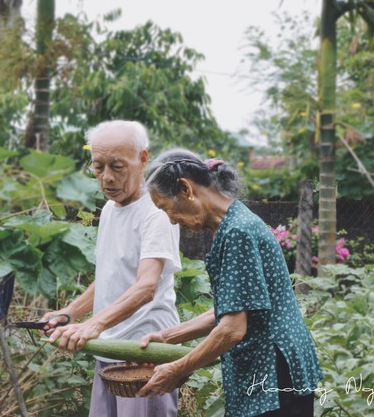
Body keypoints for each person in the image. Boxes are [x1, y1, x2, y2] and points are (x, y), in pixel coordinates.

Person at [137, 149, 323, 417]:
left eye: (166, 207)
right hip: (270, 365)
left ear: (185, 188)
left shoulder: (237, 231)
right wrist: (168, 336)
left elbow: (233, 328)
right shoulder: (231, 224)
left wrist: (178, 368)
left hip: (273, 368)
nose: (171, 219)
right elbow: (232, 307)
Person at [43, 120, 182, 417]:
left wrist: (93, 325)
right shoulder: (109, 208)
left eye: (117, 166)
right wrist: (69, 313)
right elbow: (108, 277)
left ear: (143, 159)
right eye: (98, 167)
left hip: (144, 354)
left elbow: (146, 286)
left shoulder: (156, 211)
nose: (106, 178)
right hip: (110, 349)